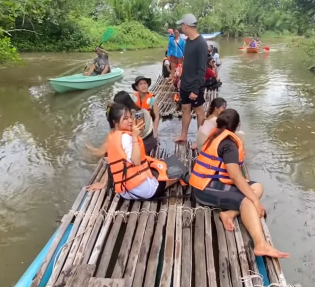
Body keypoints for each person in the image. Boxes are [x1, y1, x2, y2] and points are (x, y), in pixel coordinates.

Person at [189, 109, 289, 258]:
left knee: (257, 187)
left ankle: (229, 214)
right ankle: (260, 244)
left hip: (213, 180)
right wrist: (255, 201)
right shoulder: (228, 144)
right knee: (248, 201)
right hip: (203, 188)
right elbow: (235, 176)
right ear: (238, 125)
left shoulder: (216, 134)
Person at [87, 103, 180, 199]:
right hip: (144, 191)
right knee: (178, 170)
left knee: (159, 165)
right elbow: (136, 161)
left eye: (130, 117)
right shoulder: (127, 135)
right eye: (126, 118)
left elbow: (112, 163)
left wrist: (103, 183)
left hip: (124, 191)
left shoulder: (112, 136)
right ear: (115, 122)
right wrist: (135, 136)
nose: (131, 120)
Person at [85, 91, 158, 157]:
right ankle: (98, 151)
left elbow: (139, 131)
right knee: (113, 133)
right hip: (143, 139)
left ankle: (98, 152)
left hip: (145, 143)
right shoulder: (135, 110)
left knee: (113, 135)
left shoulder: (138, 114)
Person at [173, 13, 208, 149]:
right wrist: (181, 79)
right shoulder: (188, 41)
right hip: (185, 83)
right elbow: (187, 63)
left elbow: (201, 69)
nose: (181, 28)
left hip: (195, 85)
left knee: (199, 111)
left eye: (182, 25)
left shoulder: (201, 43)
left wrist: (195, 89)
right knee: (185, 108)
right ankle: (183, 135)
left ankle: (200, 140)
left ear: (186, 26)